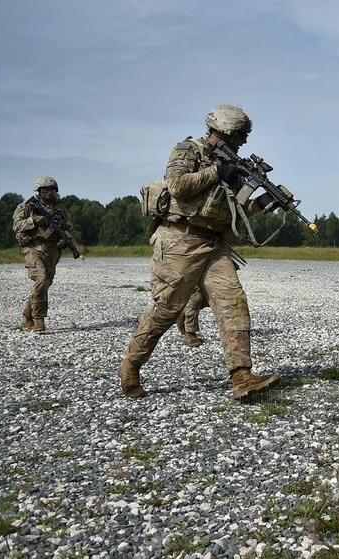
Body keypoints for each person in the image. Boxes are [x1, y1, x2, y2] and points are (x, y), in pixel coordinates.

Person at [119, 104, 289, 400]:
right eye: (240, 134)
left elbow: (237, 213)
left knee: (232, 302)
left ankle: (241, 376)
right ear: (221, 130)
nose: (243, 141)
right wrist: (217, 171)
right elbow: (178, 186)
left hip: (214, 244)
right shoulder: (189, 150)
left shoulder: (235, 166)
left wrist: (266, 202)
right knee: (166, 309)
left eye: (245, 135)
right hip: (179, 241)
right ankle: (131, 365)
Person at [12, 176, 75, 333]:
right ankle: (39, 319)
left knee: (45, 283)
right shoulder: (27, 206)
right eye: (45, 190)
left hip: (52, 250)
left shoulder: (60, 210)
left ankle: (27, 315)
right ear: (39, 191)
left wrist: (65, 240)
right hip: (33, 247)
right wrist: (33, 221)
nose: (49, 192)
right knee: (40, 278)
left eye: (52, 190)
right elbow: (16, 225)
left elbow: (70, 229)